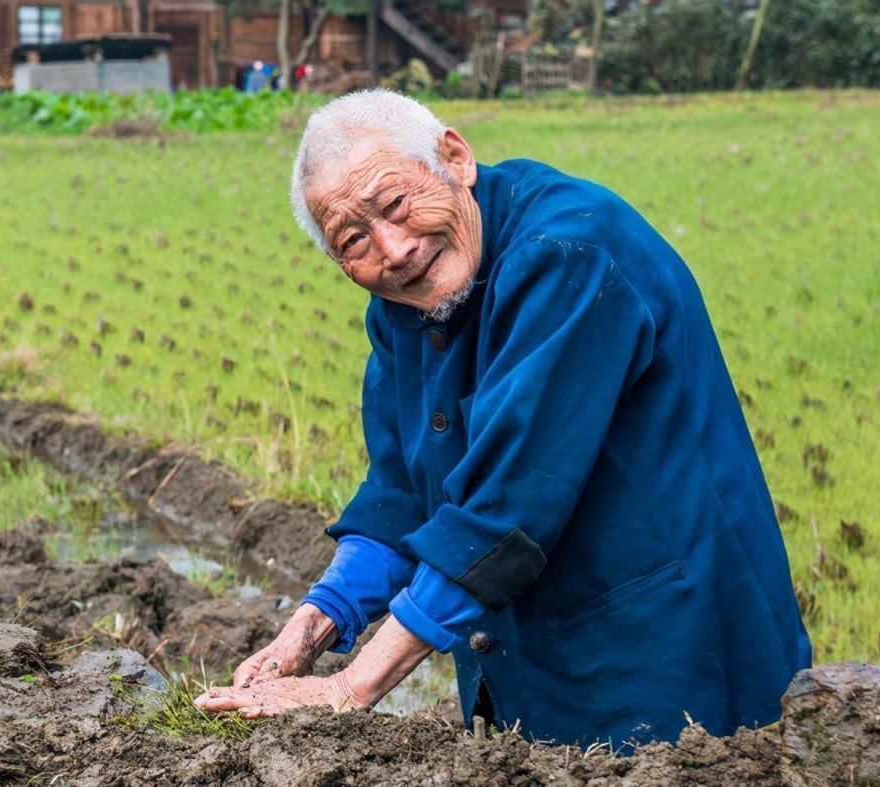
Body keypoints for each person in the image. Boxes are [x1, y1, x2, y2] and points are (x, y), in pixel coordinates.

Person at [194, 89, 812, 750]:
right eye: (354, 239)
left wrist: (356, 684)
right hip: (531, 669)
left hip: (666, 662)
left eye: (397, 205)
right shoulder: (406, 306)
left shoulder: (568, 254)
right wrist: (312, 628)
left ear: (455, 157)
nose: (396, 249)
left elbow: (509, 504)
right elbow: (404, 492)